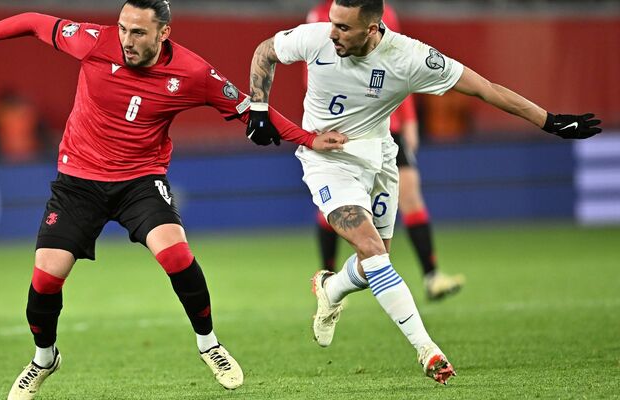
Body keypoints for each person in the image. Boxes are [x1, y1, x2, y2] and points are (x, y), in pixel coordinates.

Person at [0, 1, 347, 398]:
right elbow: (33, 22)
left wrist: (309, 138)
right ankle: (43, 358)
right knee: (45, 278)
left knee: (176, 255)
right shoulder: (92, 41)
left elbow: (249, 108)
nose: (126, 39)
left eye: (138, 32)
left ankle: (209, 344)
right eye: (123, 28)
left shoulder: (192, 72)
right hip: (78, 182)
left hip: (140, 182)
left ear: (163, 33)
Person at [247, 0, 601, 385]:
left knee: (372, 265)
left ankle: (331, 288)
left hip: (380, 157)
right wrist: (260, 108)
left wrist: (548, 120)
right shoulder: (316, 37)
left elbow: (483, 88)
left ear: (372, 28)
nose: (333, 33)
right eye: (333, 23)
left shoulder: (410, 57)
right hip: (327, 159)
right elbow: (264, 52)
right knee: (372, 249)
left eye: (344, 28)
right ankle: (427, 349)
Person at [307, 0, 464, 301]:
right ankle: (326, 278)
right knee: (332, 205)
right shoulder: (322, 15)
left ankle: (432, 276)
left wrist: (409, 121)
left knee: (410, 194)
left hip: (386, 126)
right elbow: (314, 73)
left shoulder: (382, 11)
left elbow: (397, 70)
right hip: (344, 126)